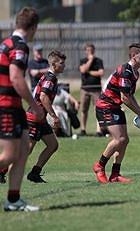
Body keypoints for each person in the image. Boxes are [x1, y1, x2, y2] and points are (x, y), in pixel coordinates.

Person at [0, 6, 44, 212]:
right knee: (9, 155)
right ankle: (13, 200)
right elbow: (17, 78)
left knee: (24, 149)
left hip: (14, 106)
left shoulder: (6, 42)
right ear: (33, 27)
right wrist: (35, 106)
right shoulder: (19, 46)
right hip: (7, 106)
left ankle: (13, 200)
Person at [93, 43, 140, 184]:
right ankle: (99, 166)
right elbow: (124, 98)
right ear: (133, 56)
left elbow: (130, 95)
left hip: (115, 107)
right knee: (119, 139)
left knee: (124, 140)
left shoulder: (135, 73)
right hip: (105, 106)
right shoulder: (125, 71)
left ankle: (115, 174)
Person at [25, 50, 66, 183]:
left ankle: (35, 173)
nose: (64, 65)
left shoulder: (50, 77)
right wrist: (54, 116)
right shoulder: (50, 78)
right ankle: (2, 171)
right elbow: (43, 97)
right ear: (54, 64)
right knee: (26, 150)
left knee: (53, 144)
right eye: (62, 63)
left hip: (40, 119)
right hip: (34, 117)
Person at [79, 43, 104, 136]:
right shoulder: (83, 60)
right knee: (84, 110)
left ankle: (98, 130)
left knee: (97, 109)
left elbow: (101, 73)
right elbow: (83, 70)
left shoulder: (99, 61)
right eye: (88, 50)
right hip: (85, 89)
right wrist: (90, 60)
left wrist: (89, 72)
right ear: (85, 51)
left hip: (96, 89)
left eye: (92, 50)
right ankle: (83, 129)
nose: (90, 52)